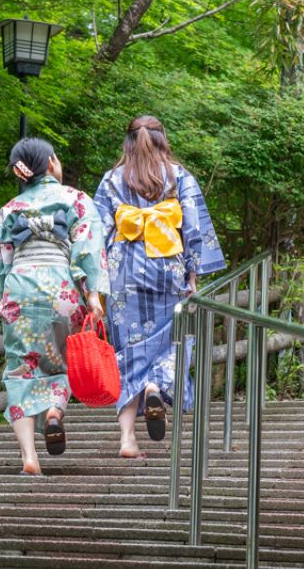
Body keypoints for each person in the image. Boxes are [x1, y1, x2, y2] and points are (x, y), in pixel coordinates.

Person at [95, 115, 225, 459]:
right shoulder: (178, 176)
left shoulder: (112, 179)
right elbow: (193, 228)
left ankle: (127, 440)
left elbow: (97, 232)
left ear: (127, 142)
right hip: (168, 267)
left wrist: (95, 283)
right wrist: (193, 276)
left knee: (127, 351)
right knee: (177, 338)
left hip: (125, 273)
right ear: (163, 139)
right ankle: (156, 386)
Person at [0, 137, 107, 476]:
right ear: (52, 162)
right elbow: (87, 249)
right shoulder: (76, 199)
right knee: (63, 359)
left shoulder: (8, 210)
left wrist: (7, 299)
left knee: (20, 368)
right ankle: (55, 411)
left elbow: (3, 261)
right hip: (61, 288)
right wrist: (93, 294)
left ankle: (29, 456)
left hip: (20, 287)